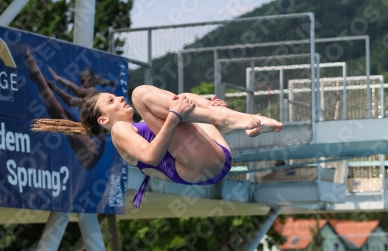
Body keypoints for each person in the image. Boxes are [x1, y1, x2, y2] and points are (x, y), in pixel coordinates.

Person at [32, 85, 283, 208]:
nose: (119, 97)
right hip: (203, 166)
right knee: (141, 94)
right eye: (111, 100)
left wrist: (201, 110)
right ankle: (235, 119)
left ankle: (235, 122)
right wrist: (175, 116)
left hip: (213, 158)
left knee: (183, 98)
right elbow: (152, 157)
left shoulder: (143, 125)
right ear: (104, 120)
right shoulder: (119, 131)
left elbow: (183, 137)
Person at [25, 47, 107, 170]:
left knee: (62, 116)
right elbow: (72, 100)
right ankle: (38, 79)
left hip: (92, 148)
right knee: (58, 116)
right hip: (90, 157)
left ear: (90, 80)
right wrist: (56, 88)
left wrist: (58, 80)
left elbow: (74, 97)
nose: (81, 84)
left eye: (82, 81)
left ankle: (37, 75)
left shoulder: (93, 92)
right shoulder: (91, 101)